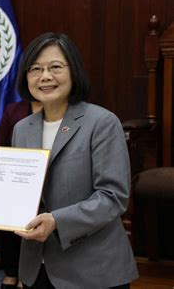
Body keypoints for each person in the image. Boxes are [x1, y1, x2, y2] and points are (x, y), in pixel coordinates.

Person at [12, 32, 138, 288]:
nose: (45, 76)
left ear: (74, 71)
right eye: (35, 69)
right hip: (37, 268)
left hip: (93, 271)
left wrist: (57, 221)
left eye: (55, 67)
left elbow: (113, 197)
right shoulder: (22, 128)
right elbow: (20, 192)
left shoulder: (102, 123)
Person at [0, 99, 42, 289]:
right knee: (5, 209)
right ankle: (11, 272)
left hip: (49, 181)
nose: (43, 77)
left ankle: (28, 275)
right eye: (35, 70)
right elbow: (1, 145)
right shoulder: (14, 110)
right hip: (16, 179)